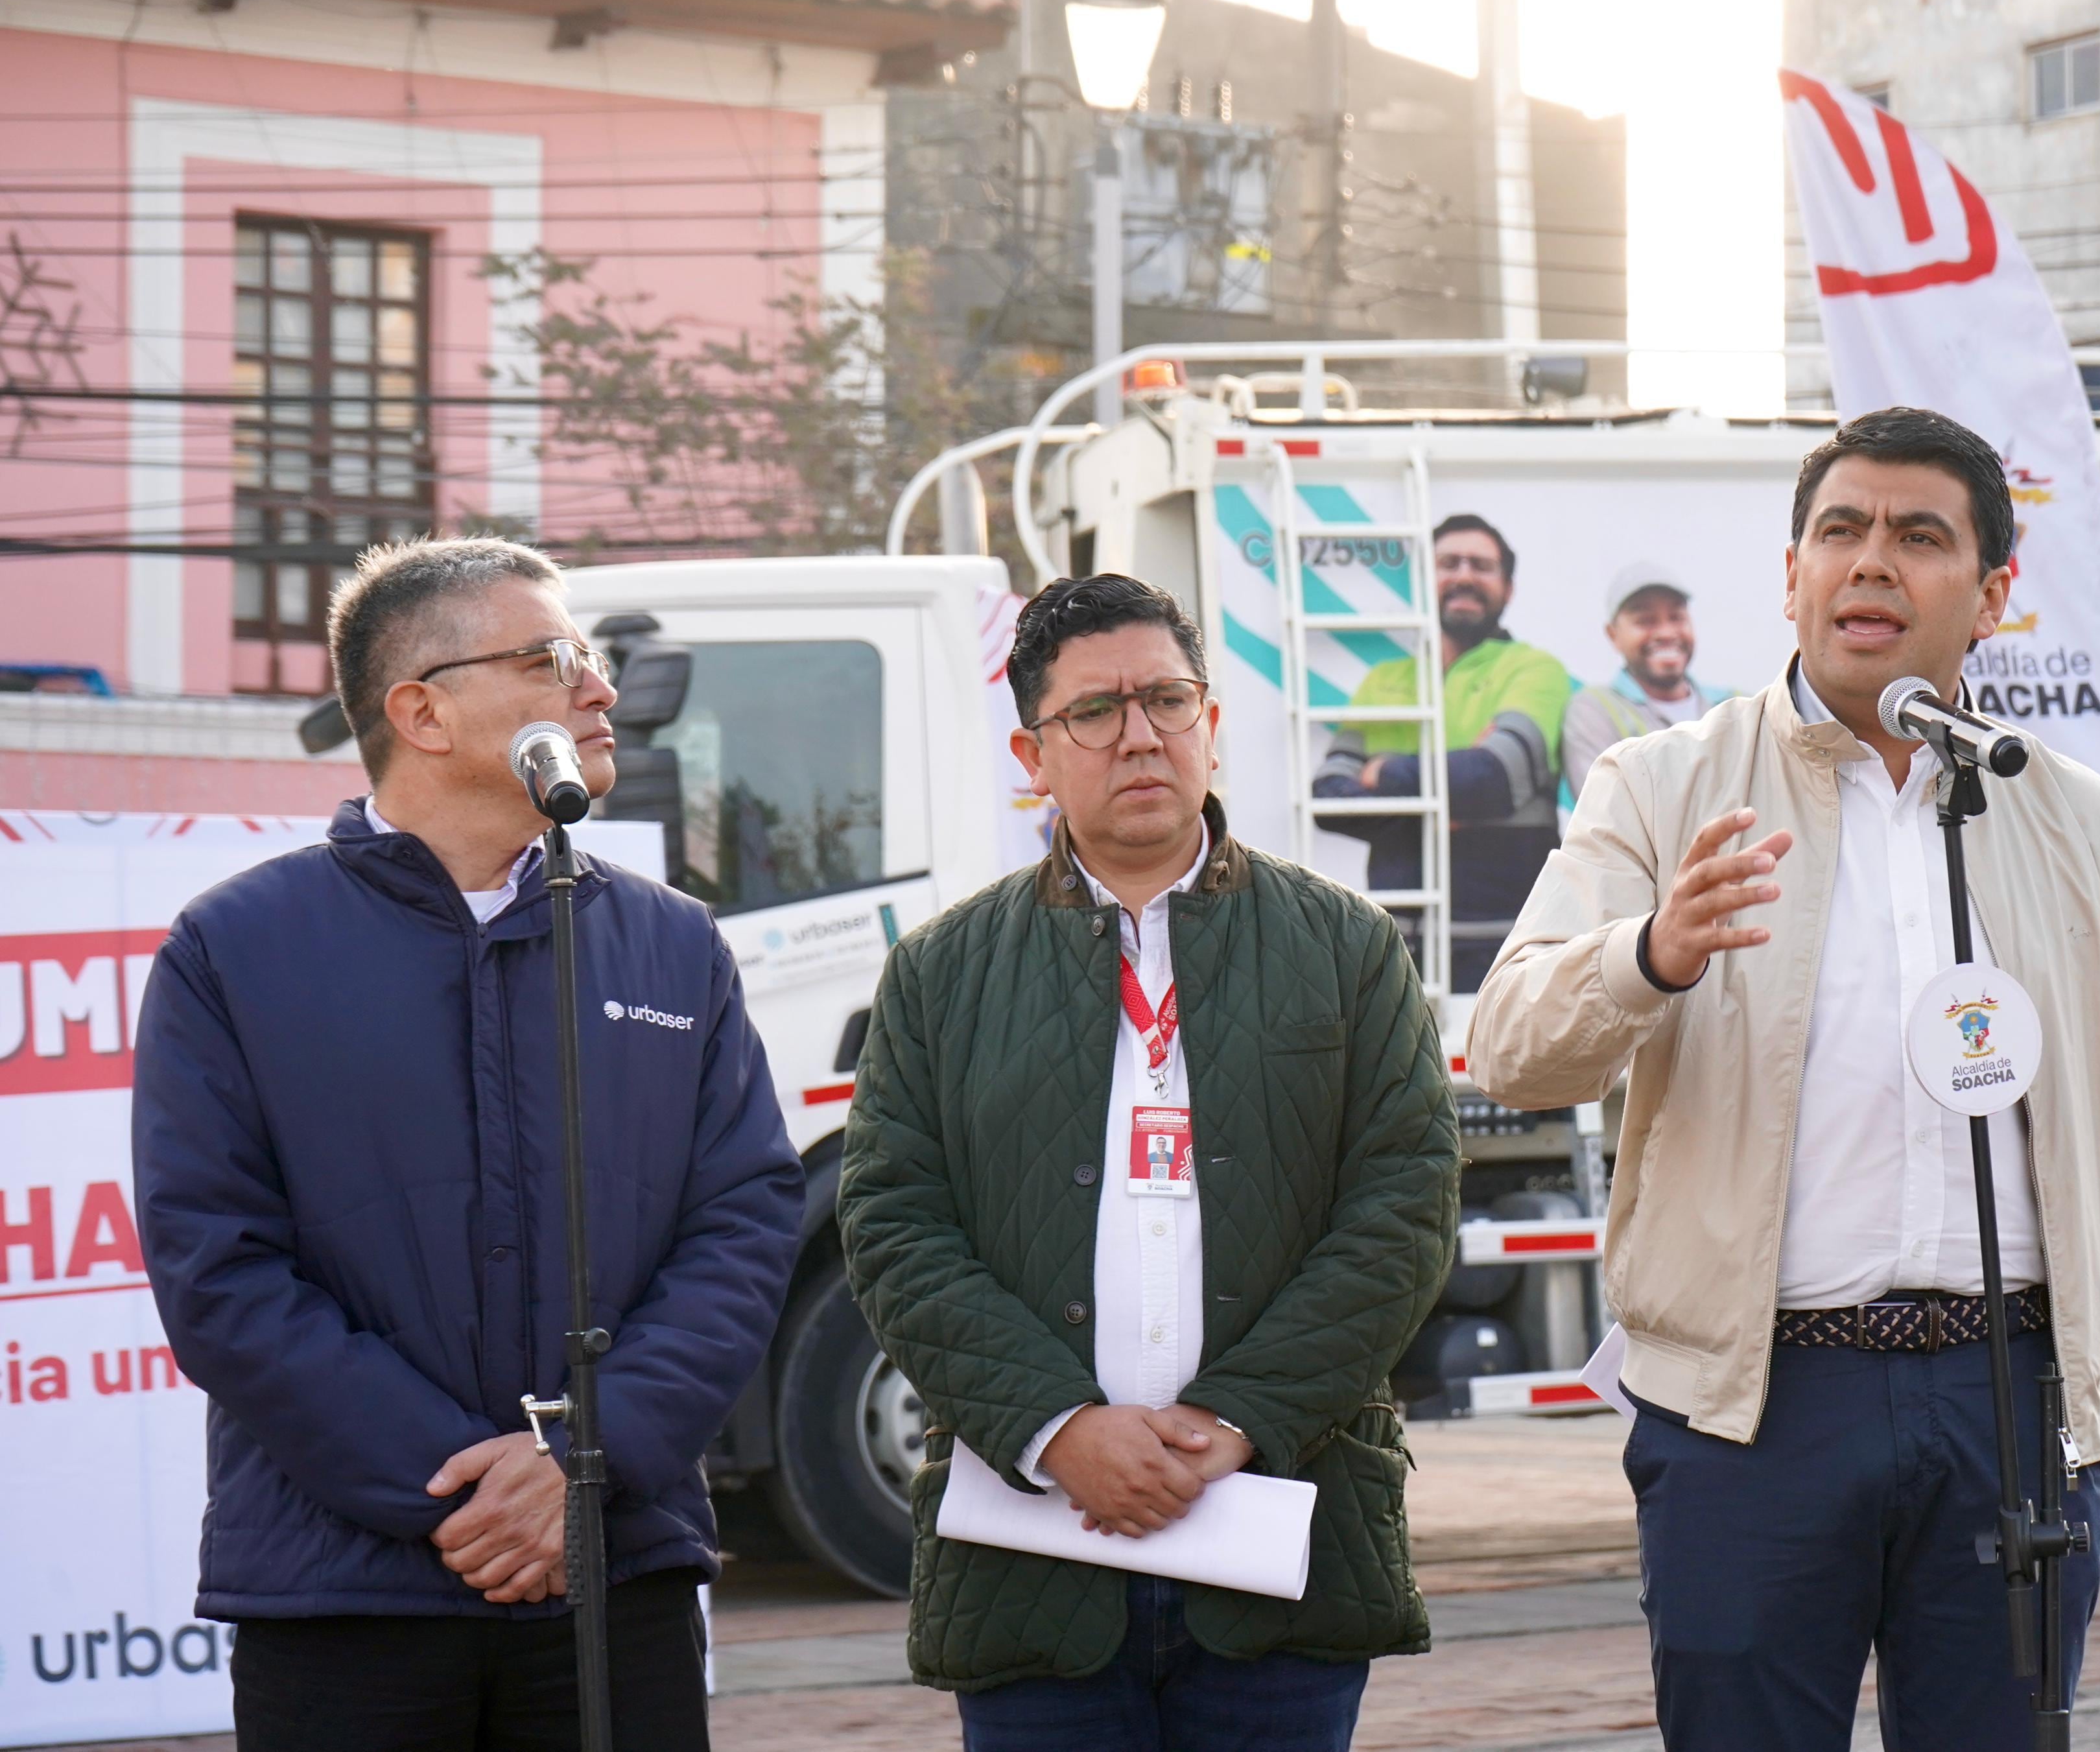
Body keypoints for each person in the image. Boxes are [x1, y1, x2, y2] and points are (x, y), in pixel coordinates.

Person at [1467, 409, 2100, 1751]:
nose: (1870, 563)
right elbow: (1515, 1045)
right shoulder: (1662, 785)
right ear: (1791, 574)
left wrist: (2067, 1297)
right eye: (1841, 531)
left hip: (2006, 1397)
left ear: (1991, 593)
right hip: (1754, 1412)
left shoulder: (2071, 817)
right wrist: (1651, 954)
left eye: (1919, 537)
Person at [131, 536, 803, 1752]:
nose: (598, 688)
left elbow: (745, 1225)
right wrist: (468, 1487)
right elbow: (215, 1268)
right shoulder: (234, 949)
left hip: (618, 1575)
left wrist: (583, 1468)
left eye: (589, 656)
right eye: (552, 658)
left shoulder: (672, 946)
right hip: (346, 1591)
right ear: (421, 711)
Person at [838, 574, 1459, 1751]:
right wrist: (1058, 1425)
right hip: (1035, 1550)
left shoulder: (1343, 947)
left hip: (1279, 1534)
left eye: (1168, 699)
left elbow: (1405, 1204)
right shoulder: (942, 972)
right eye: (1095, 710)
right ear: (1034, 751)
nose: (1139, 734)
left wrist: (1238, 1416)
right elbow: (894, 1222)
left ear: (1212, 725)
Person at [1313, 513, 1572, 991]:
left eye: (1482, 565)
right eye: (1449, 563)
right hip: (1394, 943)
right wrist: (1445, 803)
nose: (1465, 575)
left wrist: (1384, 773)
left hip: (1506, 945)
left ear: (1508, 588)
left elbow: (1490, 778)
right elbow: (1329, 800)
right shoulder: (1384, 680)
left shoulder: (1536, 670)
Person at [1559, 562, 1738, 801]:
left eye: (1676, 617)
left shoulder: (1736, 705)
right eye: (1645, 621)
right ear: (1613, 635)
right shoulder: (1594, 710)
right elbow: (1608, 813)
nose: (1666, 632)